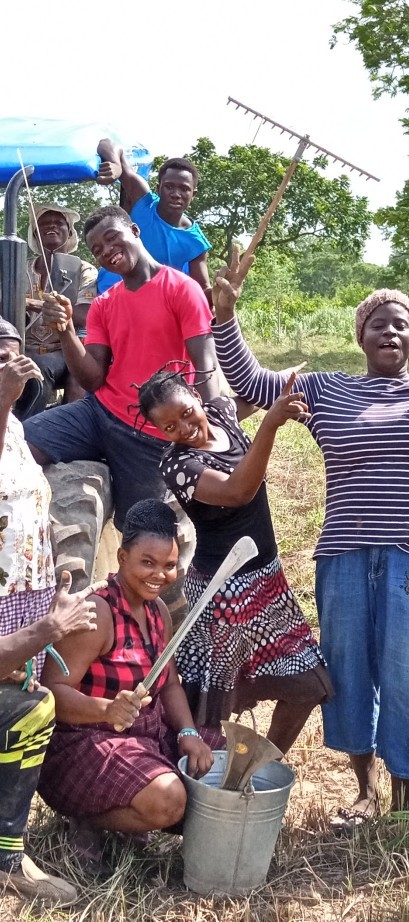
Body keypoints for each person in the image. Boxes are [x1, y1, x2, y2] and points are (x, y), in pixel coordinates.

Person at [205, 248, 409, 830]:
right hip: (344, 553)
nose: (390, 331)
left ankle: (405, 791)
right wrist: (225, 315)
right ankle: (363, 787)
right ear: (361, 336)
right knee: (346, 672)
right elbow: (252, 381)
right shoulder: (327, 390)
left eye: (401, 324)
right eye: (378, 323)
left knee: (408, 672)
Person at [134, 366, 334, 754]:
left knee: (308, 684)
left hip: (267, 580)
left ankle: (255, 768)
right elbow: (239, 490)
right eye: (170, 427)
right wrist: (271, 425)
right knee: (210, 704)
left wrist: (289, 378)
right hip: (220, 592)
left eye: (186, 413)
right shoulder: (177, 466)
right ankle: (198, 785)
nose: (184, 428)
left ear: (196, 396)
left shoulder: (223, 412)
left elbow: (256, 385)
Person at [38, 499, 213, 874]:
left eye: (168, 566)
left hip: (143, 738)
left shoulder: (158, 612)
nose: (159, 575)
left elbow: (169, 686)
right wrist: (106, 709)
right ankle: (87, 818)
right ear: (121, 556)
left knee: (225, 763)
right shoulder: (97, 615)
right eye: (147, 563)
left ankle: (130, 810)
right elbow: (51, 691)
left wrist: (187, 732)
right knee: (171, 801)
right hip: (84, 745)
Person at [22, 205, 218, 531]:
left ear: (135, 232)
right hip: (99, 414)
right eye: (98, 249)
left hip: (153, 434)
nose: (107, 251)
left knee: (143, 530)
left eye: (113, 239)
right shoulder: (104, 304)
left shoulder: (182, 288)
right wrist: (66, 330)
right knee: (18, 443)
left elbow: (205, 365)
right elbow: (92, 378)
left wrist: (217, 427)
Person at [0, 317, 105, 906]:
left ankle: (7, 852)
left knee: (23, 710)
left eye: (16, 357)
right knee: (24, 705)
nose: (13, 367)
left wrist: (50, 574)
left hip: (22, 596)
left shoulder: (17, 426)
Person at [96, 140, 211, 295]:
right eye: (169, 187)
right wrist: (116, 166)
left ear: (193, 195)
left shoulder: (196, 243)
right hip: (105, 295)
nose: (176, 194)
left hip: (143, 307)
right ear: (158, 188)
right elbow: (107, 143)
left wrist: (222, 290)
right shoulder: (143, 202)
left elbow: (202, 291)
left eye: (184, 189)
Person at [15, 204, 97, 419]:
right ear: (35, 233)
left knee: (37, 369)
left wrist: (31, 303)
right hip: (21, 345)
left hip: (60, 349)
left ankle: (26, 433)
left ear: (69, 232)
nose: (51, 225)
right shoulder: (20, 267)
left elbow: (84, 315)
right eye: (44, 222)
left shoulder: (84, 270)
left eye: (58, 222)